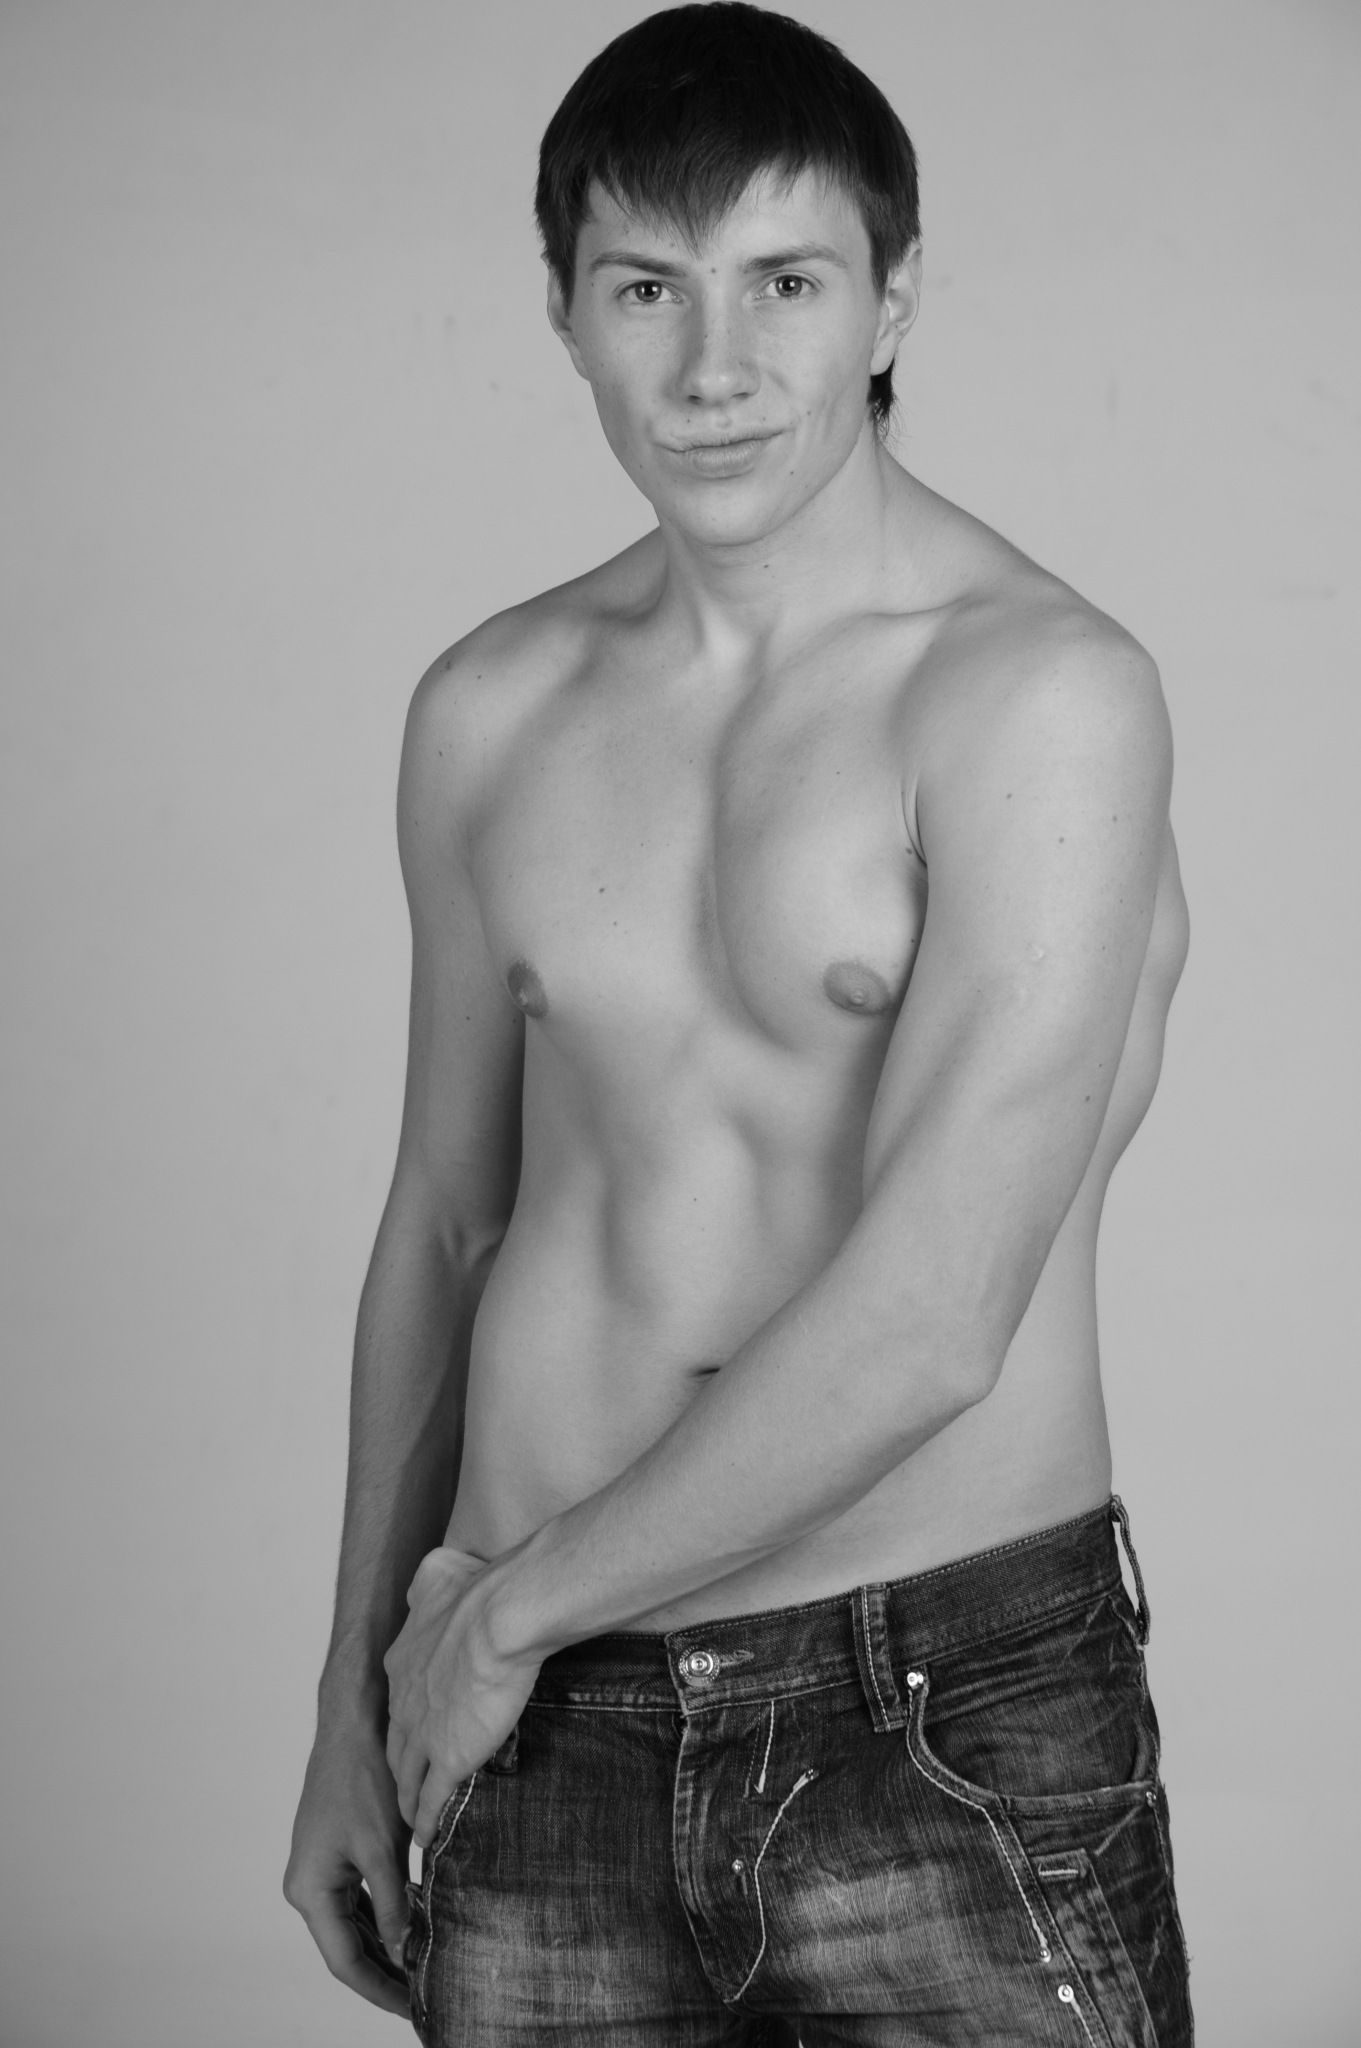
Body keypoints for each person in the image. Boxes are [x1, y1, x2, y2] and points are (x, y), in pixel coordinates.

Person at [284, 5, 1194, 2041]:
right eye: (646, 289)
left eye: (785, 282)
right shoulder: (488, 711)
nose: (714, 367)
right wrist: (354, 1700)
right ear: (564, 311)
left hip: (930, 1701)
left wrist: (492, 1623)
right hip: (531, 1723)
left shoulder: (1037, 696)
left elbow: (938, 1310)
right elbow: (448, 1221)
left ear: (892, 297)